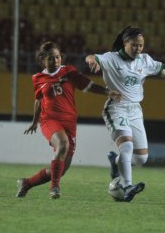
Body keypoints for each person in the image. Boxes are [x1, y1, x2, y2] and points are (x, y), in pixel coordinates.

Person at [85, 26, 165, 202]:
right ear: (125, 43)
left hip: (135, 111)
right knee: (126, 146)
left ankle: (115, 162)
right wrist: (91, 61)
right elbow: (91, 56)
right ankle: (127, 187)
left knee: (141, 158)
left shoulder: (144, 61)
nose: (138, 49)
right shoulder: (112, 58)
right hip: (116, 108)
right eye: (134, 45)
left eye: (141, 45)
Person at [16, 41, 120, 199]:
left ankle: (26, 183)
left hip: (70, 122)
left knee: (61, 169)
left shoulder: (68, 72)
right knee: (62, 144)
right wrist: (35, 121)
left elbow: (87, 85)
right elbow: (38, 100)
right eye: (51, 58)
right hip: (49, 120)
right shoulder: (37, 78)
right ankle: (55, 188)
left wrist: (108, 92)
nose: (55, 61)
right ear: (43, 59)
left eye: (57, 57)